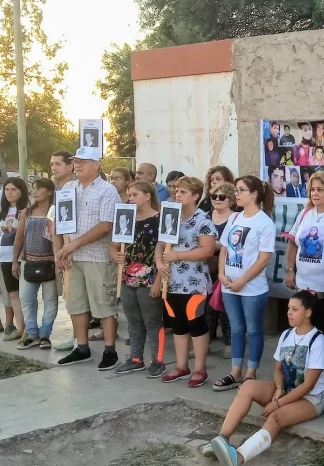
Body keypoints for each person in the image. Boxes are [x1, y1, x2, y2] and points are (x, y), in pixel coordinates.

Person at [203, 291, 324, 465]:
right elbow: (278, 369)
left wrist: (277, 403)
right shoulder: (286, 335)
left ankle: (238, 457)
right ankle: (221, 439)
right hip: (285, 390)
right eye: (288, 308)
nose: (289, 313)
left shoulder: (317, 341)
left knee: (275, 417)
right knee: (247, 387)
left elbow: (308, 385)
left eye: (294, 309)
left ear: (308, 313)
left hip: (311, 399)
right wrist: (278, 389)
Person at [53, 147, 121, 369]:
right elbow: (62, 223)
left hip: (98, 256)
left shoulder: (107, 190)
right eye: (75, 161)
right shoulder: (67, 188)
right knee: (76, 303)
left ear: (97, 164)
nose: (78, 165)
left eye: (83, 161)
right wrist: (63, 250)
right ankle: (81, 348)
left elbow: (105, 225)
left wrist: (73, 244)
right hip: (72, 257)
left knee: (104, 303)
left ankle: (110, 351)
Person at [214, 176, 276, 391]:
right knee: (236, 328)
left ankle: (251, 372)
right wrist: (221, 274)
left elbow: (264, 258)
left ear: (255, 194)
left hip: (252, 287)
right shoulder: (234, 218)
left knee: (254, 330)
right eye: (237, 190)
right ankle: (235, 371)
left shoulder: (264, 223)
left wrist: (242, 280)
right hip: (229, 284)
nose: (237, 194)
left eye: (241, 190)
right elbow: (224, 248)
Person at [284, 171, 324, 393]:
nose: (315, 193)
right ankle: (303, 375)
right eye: (312, 189)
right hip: (303, 287)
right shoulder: (305, 213)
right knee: (303, 333)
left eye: (321, 189)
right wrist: (290, 271)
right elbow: (293, 244)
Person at [156, 176, 217, 387]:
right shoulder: (170, 215)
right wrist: (158, 262)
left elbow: (207, 250)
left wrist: (177, 256)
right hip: (170, 280)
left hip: (194, 282)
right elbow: (161, 244)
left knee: (196, 322)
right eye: (176, 190)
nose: (177, 194)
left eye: (183, 191)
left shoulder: (203, 220)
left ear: (195, 196)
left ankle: (200, 368)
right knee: (178, 323)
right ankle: (181, 366)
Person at [110, 181, 167, 378]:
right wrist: (115, 256)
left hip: (150, 277)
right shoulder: (126, 218)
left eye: (134, 195)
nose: (130, 198)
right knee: (133, 320)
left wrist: (159, 280)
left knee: (152, 321)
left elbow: (166, 251)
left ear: (147, 196)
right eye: (129, 195)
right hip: (127, 277)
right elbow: (113, 245)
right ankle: (136, 359)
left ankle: (158, 360)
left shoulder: (160, 220)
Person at [12, 178, 57, 350]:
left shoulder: (56, 213)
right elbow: (19, 238)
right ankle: (31, 333)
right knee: (26, 299)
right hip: (28, 262)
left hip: (50, 263)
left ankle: (45, 334)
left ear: (49, 191)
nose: (35, 191)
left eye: (39, 188)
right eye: (33, 188)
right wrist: (15, 262)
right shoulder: (27, 213)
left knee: (50, 300)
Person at [49, 151, 76, 352]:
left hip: (80, 250)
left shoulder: (76, 188)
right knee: (71, 298)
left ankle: (79, 339)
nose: (54, 167)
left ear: (70, 166)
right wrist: (58, 253)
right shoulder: (59, 191)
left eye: (58, 163)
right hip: (66, 252)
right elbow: (55, 226)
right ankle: (76, 337)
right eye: (52, 164)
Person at [206, 182, 235, 360]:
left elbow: (234, 245)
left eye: (221, 197)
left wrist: (211, 244)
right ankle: (205, 342)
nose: (217, 199)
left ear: (230, 200)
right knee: (207, 309)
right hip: (207, 267)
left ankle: (229, 345)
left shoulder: (235, 219)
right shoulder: (206, 216)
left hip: (226, 268)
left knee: (225, 309)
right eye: (214, 196)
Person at [1, 177, 29, 342]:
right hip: (4, 257)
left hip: (21, 257)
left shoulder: (26, 210)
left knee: (25, 295)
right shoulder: (2, 211)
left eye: (13, 189)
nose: (9, 193)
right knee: (13, 294)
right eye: (7, 190)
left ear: (21, 191)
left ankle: (30, 329)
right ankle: (20, 328)